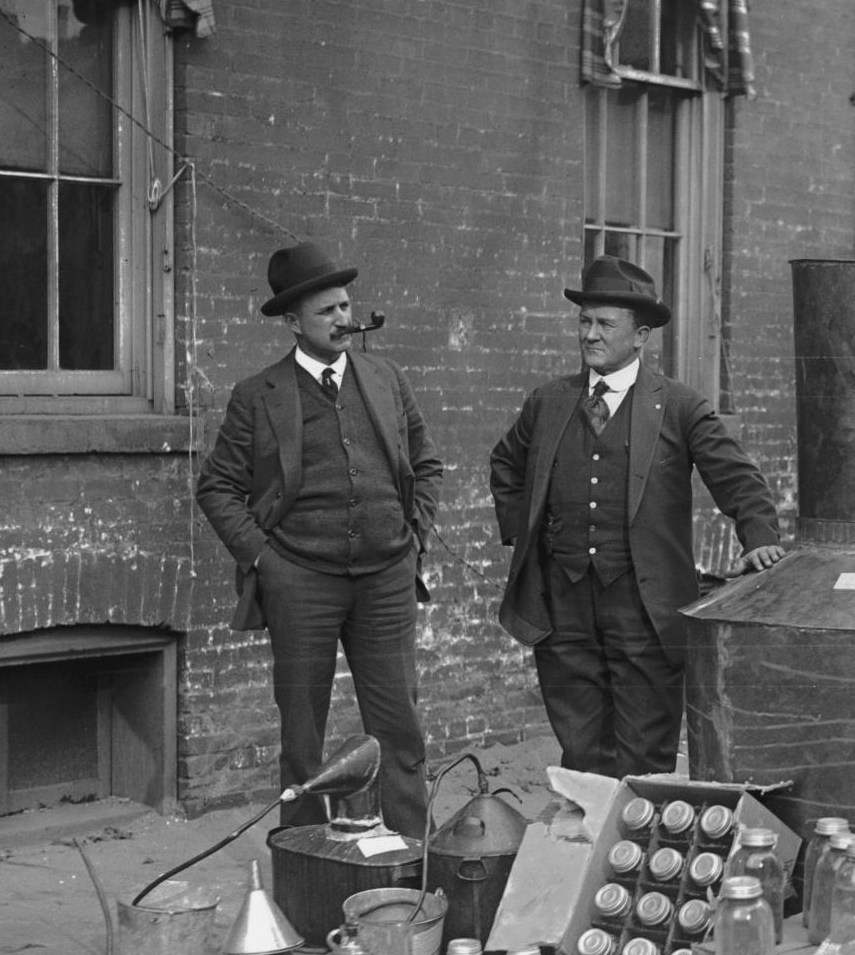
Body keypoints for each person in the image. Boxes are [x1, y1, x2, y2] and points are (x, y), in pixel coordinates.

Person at [489, 255, 785, 777]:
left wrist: (757, 535)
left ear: (641, 335)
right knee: (581, 746)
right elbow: (506, 463)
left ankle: (637, 852)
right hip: (564, 603)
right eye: (584, 321)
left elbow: (738, 478)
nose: (590, 335)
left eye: (605, 324)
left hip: (645, 606)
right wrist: (526, 535)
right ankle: (589, 843)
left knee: (645, 751)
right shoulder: (549, 401)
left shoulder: (678, 405)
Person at [196, 241, 443, 838]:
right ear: (292, 323)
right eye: (326, 312)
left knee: (400, 731)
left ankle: (413, 859)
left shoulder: (385, 379)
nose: (343, 320)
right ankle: (304, 867)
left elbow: (426, 464)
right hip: (300, 583)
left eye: (345, 306)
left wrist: (413, 536)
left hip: (385, 580)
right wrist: (266, 561)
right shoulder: (259, 395)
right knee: (302, 741)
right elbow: (217, 488)